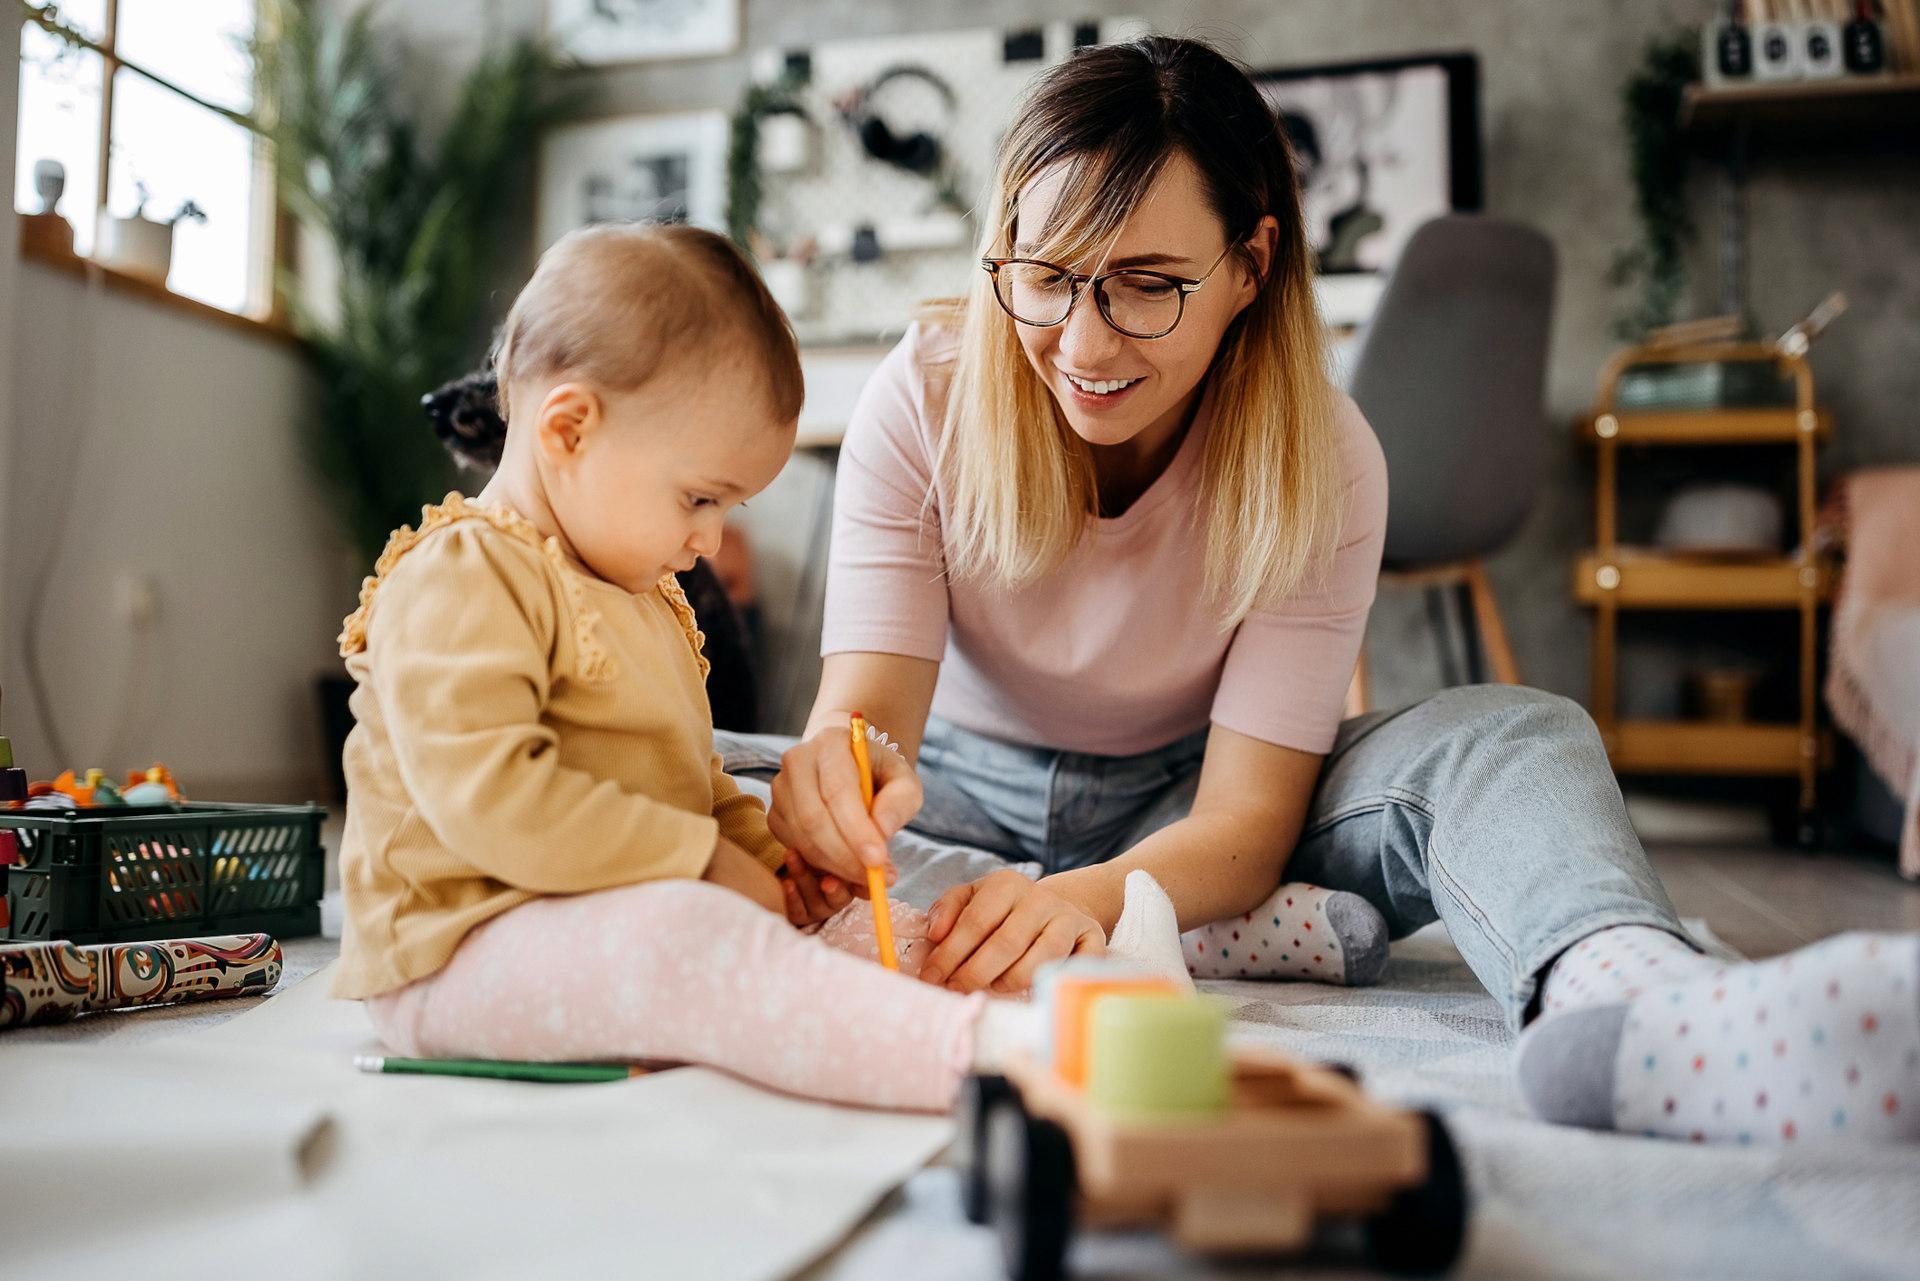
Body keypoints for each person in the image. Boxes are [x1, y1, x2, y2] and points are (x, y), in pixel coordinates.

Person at [724, 36, 1920, 1145]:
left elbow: (1244, 824)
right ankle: (1203, 937)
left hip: (1189, 810)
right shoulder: (925, 393)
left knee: (1514, 735)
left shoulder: (1325, 455)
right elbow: (870, 717)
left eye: (1147, 284)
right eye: (1047, 277)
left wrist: (1090, 893)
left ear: (1251, 263)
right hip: (953, 805)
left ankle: (1627, 1006)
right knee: (696, 761)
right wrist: (844, 775)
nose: (1084, 347)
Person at [328, 223, 1056, 1112]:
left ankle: (1028, 999)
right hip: (456, 949)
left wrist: (775, 868)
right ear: (569, 428)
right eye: (699, 497)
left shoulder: (642, 593)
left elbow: (692, 779)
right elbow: (493, 800)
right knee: (693, 937)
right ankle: (965, 1057)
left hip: (609, 920)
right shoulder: (462, 576)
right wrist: (703, 862)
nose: (710, 539)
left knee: (856, 928)